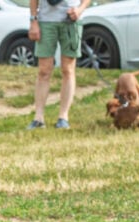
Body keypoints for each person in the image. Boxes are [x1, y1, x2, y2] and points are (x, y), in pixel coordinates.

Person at [27, 0, 91, 130]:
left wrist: (80, 9)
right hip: (46, 21)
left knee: (68, 69)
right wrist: (33, 20)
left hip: (71, 20)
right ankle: (38, 118)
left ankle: (63, 117)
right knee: (44, 70)